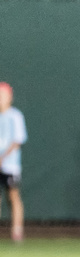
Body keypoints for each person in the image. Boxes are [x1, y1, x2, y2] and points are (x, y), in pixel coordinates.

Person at [0, 82, 27, 242]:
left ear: (10, 97)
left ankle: (17, 231)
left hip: (10, 165)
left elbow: (18, 140)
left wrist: (2, 158)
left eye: (3, 95)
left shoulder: (15, 116)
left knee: (13, 196)